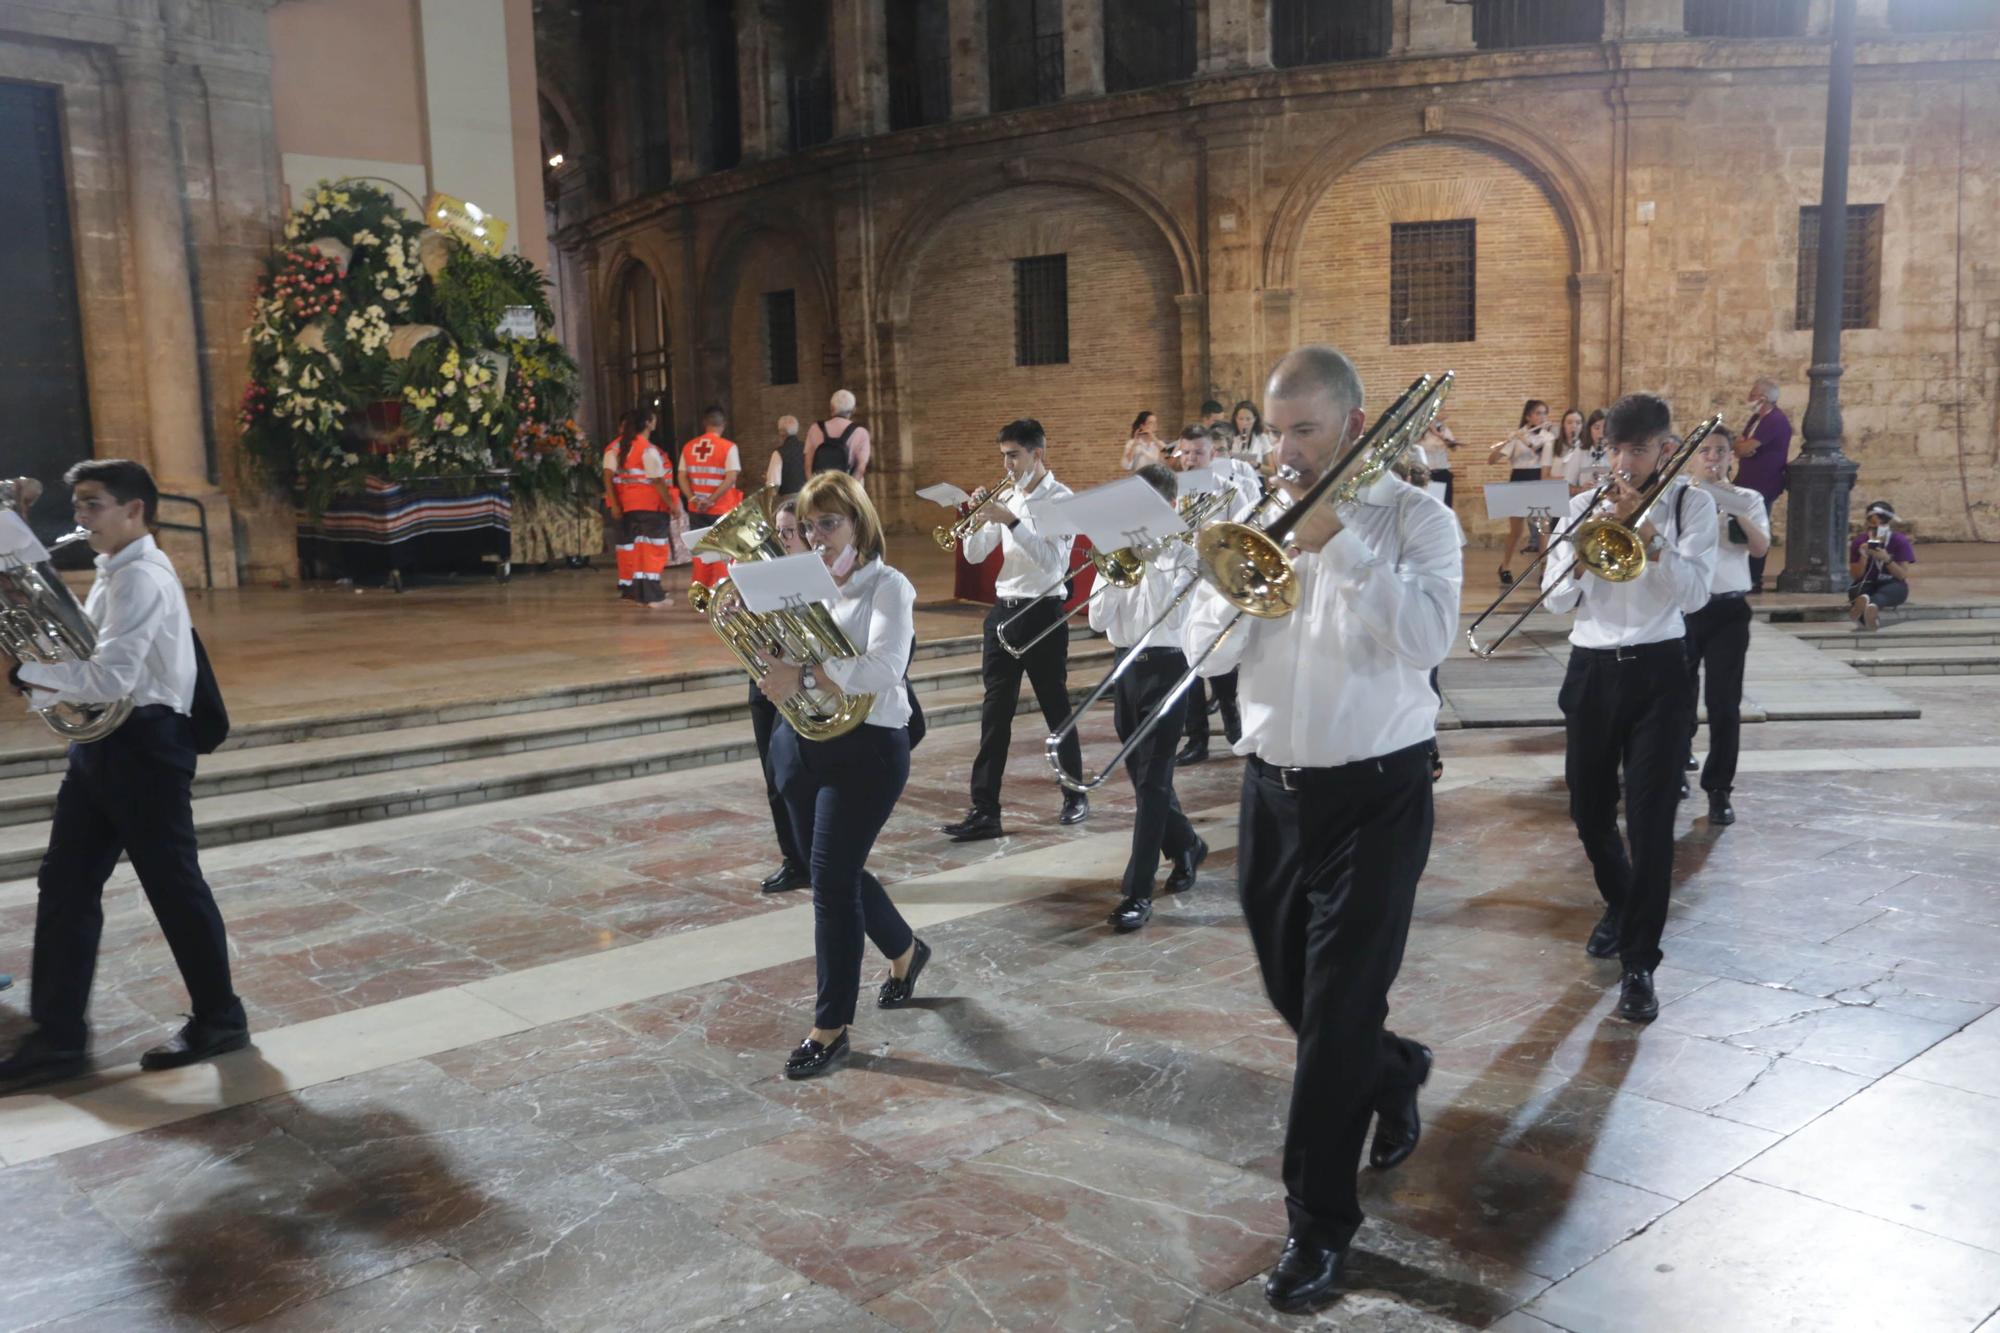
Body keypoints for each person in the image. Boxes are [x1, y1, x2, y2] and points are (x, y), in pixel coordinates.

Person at [1184, 346, 1460, 1314]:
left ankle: (1316, 1225)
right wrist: (1214, 573)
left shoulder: (1415, 521)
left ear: (1349, 427)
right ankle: (1393, 1068)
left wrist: (1335, 540)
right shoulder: (1258, 520)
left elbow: (1428, 640)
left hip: (1377, 795)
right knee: (1292, 993)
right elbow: (1201, 650)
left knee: (1334, 1014)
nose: (1283, 448)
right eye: (1274, 428)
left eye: (1302, 429)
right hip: (1272, 792)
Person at [0, 460, 249, 1092]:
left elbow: (113, 678)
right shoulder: (116, 571)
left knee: (171, 884)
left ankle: (220, 1017)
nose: (80, 517)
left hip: (144, 746)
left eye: (93, 505)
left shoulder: (142, 578)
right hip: (110, 745)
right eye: (78, 505)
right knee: (65, 885)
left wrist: (32, 674)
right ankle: (56, 1038)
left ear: (134, 509)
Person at [1541, 395, 1718, 1025]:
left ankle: (1640, 961)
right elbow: (1556, 602)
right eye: (1614, 449)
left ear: (1664, 449)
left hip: (1660, 671)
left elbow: (1696, 594)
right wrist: (1582, 555)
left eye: (1637, 449)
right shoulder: (1582, 506)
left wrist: (1649, 536)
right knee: (1588, 811)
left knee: (1649, 823)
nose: (1623, 460)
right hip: (1591, 670)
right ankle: (1622, 903)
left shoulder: (1691, 504)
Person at [760, 471, 929, 1079]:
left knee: (832, 887)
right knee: (832, 871)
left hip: (868, 749)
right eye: (808, 526)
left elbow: (886, 665)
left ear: (858, 522)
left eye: (828, 523)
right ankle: (908, 951)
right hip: (802, 743)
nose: (817, 535)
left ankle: (829, 1029)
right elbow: (776, 652)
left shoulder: (889, 586)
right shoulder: (799, 584)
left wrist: (803, 676)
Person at [940, 419, 1086, 841]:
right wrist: (977, 517)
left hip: (1044, 611)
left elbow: (1055, 565)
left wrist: (1012, 521)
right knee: (993, 716)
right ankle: (985, 810)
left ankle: (1075, 792)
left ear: (1036, 454)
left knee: (1055, 708)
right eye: (1003, 455)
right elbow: (973, 554)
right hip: (1003, 611)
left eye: (1013, 455)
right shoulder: (1006, 495)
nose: (1005, 464)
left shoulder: (1060, 499)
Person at [1089, 463, 1208, 933]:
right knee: (1142, 779)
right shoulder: (1115, 552)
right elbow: (1099, 620)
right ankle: (1187, 845)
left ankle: (1138, 890)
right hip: (1126, 668)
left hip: (1170, 668)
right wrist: (1120, 567)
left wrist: (1153, 562)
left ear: (1169, 507)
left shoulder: (1185, 558)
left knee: (1155, 782)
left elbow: (1180, 623)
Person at [1686, 428, 1770, 826]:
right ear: (1691, 459)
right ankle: (1673, 766)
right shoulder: (1680, 498)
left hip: (1728, 611)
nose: (1712, 458)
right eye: (1704, 452)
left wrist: (1732, 507)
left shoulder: (1748, 499)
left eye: (1720, 451)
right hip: (1685, 609)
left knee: (1723, 704)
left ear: (1730, 458)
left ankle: (1719, 789)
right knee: (1676, 698)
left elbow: (1760, 547)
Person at [1168, 426, 1251, 764]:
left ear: (1213, 455)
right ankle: (1196, 739)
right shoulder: (1174, 491)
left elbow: (1247, 539)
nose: (1190, 460)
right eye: (1185, 453)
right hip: (1183, 586)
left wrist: (1215, 540)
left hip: (1217, 589)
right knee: (1187, 666)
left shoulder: (1231, 492)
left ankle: (1235, 728)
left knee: (1222, 666)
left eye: (1198, 453)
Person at [750, 498, 812, 894]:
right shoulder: (770, 571)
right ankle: (793, 859)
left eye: (789, 531)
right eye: (779, 531)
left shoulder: (819, 576)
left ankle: (810, 856)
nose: (783, 539)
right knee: (771, 776)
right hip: (763, 676)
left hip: (798, 682)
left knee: (787, 774)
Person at [603, 407, 682, 608]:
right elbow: (657, 480)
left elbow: (611, 476)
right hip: (650, 505)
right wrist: (671, 504)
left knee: (639, 550)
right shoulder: (646, 449)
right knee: (654, 550)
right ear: (647, 423)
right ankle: (652, 596)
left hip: (630, 506)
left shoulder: (621, 448)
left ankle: (641, 593)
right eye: (653, 419)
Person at [1487, 399, 1554, 585]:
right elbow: (1491, 460)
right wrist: (1507, 442)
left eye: (1544, 413)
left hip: (1539, 480)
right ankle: (1505, 565)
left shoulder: (1548, 437)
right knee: (1516, 531)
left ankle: (1544, 568)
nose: (1542, 417)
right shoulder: (1517, 437)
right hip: (1518, 479)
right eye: (1538, 413)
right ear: (1528, 416)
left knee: (1543, 529)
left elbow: (1541, 455)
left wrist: (1525, 440)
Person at [1735, 378, 1793, 593]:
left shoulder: (1775, 421)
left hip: (1763, 484)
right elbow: (1739, 446)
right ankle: (1743, 574)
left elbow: (1744, 447)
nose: (1749, 399)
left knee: (1757, 529)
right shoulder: (1755, 419)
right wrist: (1741, 446)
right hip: (1746, 481)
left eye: (1752, 395)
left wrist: (1743, 447)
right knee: (1741, 529)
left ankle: (1754, 579)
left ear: (1763, 398)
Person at [681, 406, 744, 592]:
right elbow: (731, 477)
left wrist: (693, 498)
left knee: (700, 551)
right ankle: (720, 592)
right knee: (721, 551)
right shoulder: (728, 447)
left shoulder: (689, 447)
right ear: (723, 425)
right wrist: (712, 499)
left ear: (704, 424)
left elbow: (682, 476)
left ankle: (701, 591)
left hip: (696, 509)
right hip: (721, 508)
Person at [1847, 500, 1915, 631]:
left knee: (1895, 590)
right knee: (1858, 590)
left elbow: (1902, 575)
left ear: (1888, 523)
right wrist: (1863, 556)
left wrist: (1886, 559)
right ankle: (1869, 608)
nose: (1877, 527)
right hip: (1867, 582)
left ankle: (1871, 605)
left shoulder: (1899, 540)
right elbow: (1856, 576)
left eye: (1882, 523)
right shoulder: (1859, 541)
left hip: (1891, 582)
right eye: (1873, 523)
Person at [804, 389, 872, 482]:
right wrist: (849, 490)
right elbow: (860, 468)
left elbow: (808, 464)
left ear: (831, 408)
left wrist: (813, 488)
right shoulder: (861, 432)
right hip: (848, 484)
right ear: (853, 410)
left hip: (822, 486)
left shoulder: (815, 428)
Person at [1563, 409, 1613, 495]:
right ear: (1589, 429)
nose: (1601, 433)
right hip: (1585, 502)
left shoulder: (1616, 452)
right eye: (1596, 428)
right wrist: (1581, 490)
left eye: (1605, 428)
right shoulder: (1580, 452)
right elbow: (1566, 487)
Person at [1414, 416, 1458, 510]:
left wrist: (1436, 433)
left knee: (1445, 508)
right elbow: (1410, 447)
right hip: (1423, 476)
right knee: (1426, 509)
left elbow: (1454, 447)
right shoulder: (1416, 431)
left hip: (1442, 473)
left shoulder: (1443, 430)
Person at [1229, 400, 1279, 474]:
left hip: (1256, 481)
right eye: (1240, 419)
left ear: (1255, 419)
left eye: (1248, 419)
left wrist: (1257, 465)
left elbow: (1272, 471)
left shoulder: (1262, 438)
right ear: (1235, 419)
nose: (1244, 423)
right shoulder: (1229, 437)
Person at [765, 415, 807, 497]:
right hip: (806, 499)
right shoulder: (807, 449)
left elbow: (773, 484)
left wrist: (768, 478)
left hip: (788, 501)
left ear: (781, 432)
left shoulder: (778, 453)